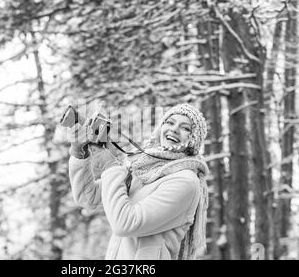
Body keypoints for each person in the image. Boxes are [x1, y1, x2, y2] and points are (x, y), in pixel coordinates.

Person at [67, 103, 209, 260]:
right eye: (169, 122)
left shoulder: (185, 182)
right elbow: (89, 199)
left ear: (194, 141)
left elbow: (125, 223)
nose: (174, 129)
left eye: (186, 128)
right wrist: (79, 153)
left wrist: (110, 166)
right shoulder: (142, 170)